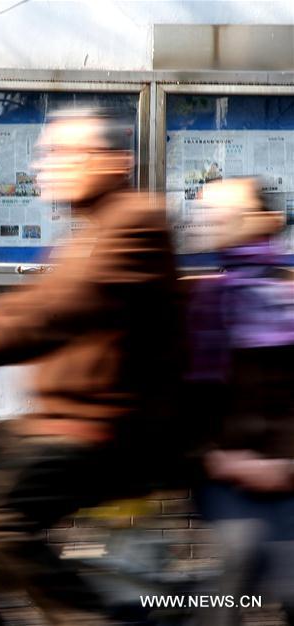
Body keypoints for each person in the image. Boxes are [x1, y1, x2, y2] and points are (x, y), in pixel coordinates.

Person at [0, 106, 187, 624]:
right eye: (47, 153)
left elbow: (66, 307)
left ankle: (85, 617)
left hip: (115, 429)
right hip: (62, 419)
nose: (47, 165)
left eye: (67, 153)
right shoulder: (88, 228)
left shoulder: (136, 221)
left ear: (114, 162)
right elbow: (29, 304)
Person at [186, 178, 294, 626]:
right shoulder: (204, 296)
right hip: (222, 470)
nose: (215, 224)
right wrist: (218, 457)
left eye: (229, 215)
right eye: (210, 215)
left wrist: (285, 463)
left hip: (284, 467)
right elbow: (185, 397)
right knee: (236, 568)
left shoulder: (287, 291)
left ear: (268, 221)